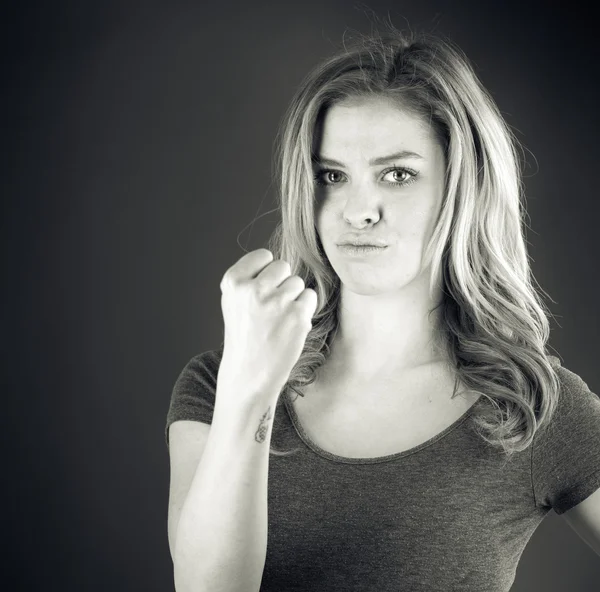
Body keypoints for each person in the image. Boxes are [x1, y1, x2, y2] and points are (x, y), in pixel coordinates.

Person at [165, 24, 600, 592]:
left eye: (397, 175)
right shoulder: (215, 385)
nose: (357, 210)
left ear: (461, 189)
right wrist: (249, 391)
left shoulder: (529, 406)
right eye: (332, 176)